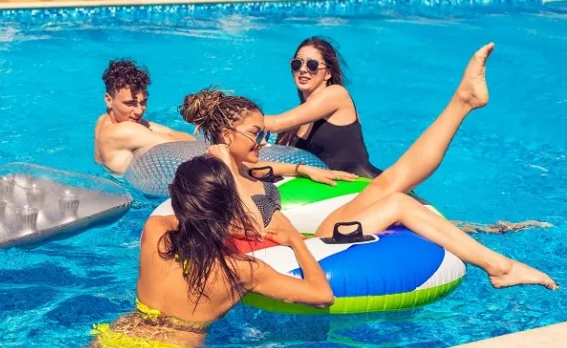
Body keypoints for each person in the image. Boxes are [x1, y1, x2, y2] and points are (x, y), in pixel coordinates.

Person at [182, 42, 557, 291]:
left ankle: (462, 102)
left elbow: (263, 175)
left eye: (262, 134)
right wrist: (226, 162)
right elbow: (248, 222)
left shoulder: (245, 165)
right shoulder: (215, 173)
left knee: (392, 186)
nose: (264, 141)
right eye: (256, 133)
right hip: (299, 256)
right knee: (397, 197)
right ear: (226, 136)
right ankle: (499, 266)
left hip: (312, 239)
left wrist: (301, 170)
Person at [89, 155, 334, 347]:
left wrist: (223, 225)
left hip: (115, 338)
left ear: (174, 196)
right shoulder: (243, 271)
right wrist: (296, 241)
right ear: (230, 207)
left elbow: (186, 219)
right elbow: (322, 296)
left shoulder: (155, 231)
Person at [263, 36, 382, 178]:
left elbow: (276, 124)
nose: (303, 70)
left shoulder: (337, 94)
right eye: (297, 64)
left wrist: (240, 119)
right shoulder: (296, 122)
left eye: (312, 65)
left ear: (328, 73)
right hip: (328, 188)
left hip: (362, 184)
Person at [93, 59, 196, 176]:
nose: (139, 111)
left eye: (143, 102)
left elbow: (165, 132)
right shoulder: (125, 131)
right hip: (125, 186)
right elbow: (188, 149)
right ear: (108, 100)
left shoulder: (102, 120)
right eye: (129, 103)